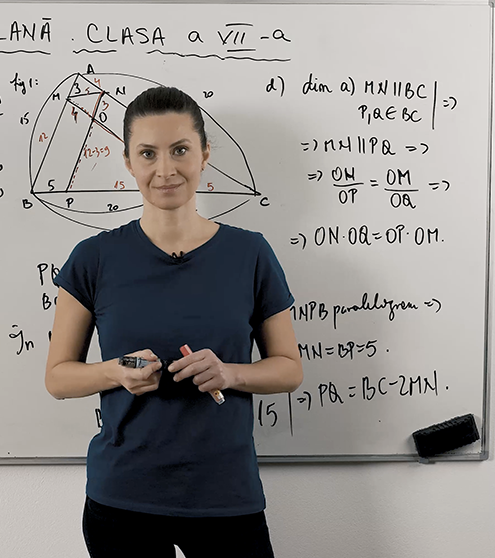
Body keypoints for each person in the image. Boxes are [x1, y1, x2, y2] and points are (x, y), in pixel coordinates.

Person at [45, 85, 303, 558]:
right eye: (148, 154)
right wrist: (116, 370)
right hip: (122, 500)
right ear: (129, 163)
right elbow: (58, 378)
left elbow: (288, 369)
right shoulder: (93, 259)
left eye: (180, 150)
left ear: (204, 154)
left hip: (226, 495)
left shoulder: (251, 253)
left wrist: (230, 373)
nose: (165, 170)